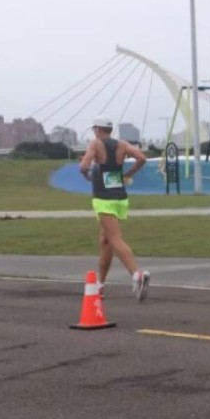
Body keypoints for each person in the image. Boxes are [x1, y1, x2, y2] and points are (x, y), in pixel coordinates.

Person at [79, 116, 151, 301]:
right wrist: (127, 174)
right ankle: (100, 285)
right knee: (105, 241)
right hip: (120, 197)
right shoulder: (123, 144)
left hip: (104, 199)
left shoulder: (95, 144)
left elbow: (83, 166)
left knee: (115, 239)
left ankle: (137, 274)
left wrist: (87, 173)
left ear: (97, 129)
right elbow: (142, 158)